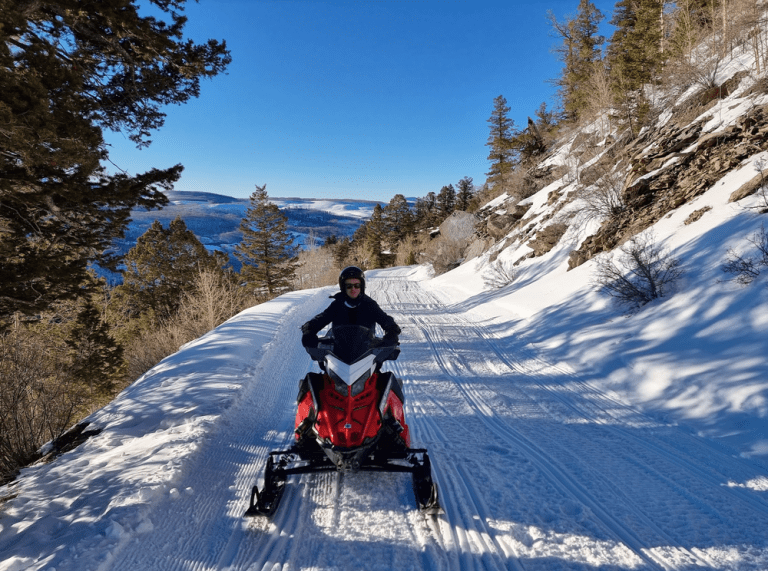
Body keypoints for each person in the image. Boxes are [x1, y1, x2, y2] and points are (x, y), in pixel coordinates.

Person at [300, 266, 401, 348]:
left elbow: (384, 319)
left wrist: (392, 331)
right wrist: (309, 330)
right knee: (319, 373)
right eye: (349, 286)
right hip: (339, 353)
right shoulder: (337, 305)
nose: (353, 289)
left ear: (361, 287)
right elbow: (322, 318)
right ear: (343, 287)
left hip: (367, 353)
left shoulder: (369, 304)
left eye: (357, 285)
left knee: (381, 374)